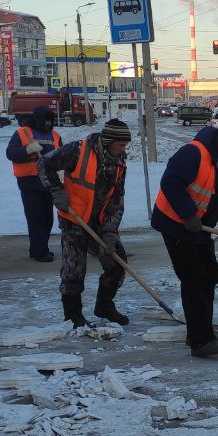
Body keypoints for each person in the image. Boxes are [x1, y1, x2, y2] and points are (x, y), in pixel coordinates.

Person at [151, 118, 218, 358]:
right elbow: (170, 183)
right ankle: (201, 341)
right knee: (195, 279)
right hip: (176, 225)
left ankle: (200, 332)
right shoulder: (194, 153)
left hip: (200, 228)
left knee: (210, 274)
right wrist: (188, 214)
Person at [38, 118, 131, 328]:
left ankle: (104, 305)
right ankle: (72, 316)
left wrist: (109, 231)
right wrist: (56, 190)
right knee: (74, 270)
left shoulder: (119, 161)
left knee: (117, 262)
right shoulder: (77, 151)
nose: (124, 149)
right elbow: (44, 163)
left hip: (99, 221)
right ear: (108, 141)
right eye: (121, 144)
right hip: (74, 218)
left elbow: (116, 198)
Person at [4, 106, 61, 262]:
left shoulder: (55, 135)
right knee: (36, 218)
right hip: (29, 182)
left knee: (47, 218)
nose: (48, 124)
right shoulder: (22, 133)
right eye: (46, 121)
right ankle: (39, 251)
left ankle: (41, 248)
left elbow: (61, 155)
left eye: (51, 121)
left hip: (49, 182)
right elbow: (11, 153)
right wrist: (27, 149)